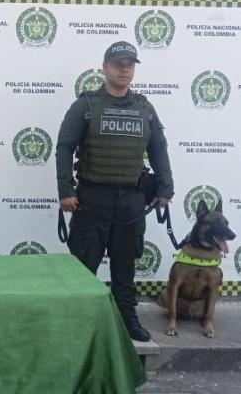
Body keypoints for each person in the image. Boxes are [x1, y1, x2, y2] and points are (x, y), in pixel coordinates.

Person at [56, 41, 174, 341]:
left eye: (130, 64)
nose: (125, 69)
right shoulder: (86, 106)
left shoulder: (145, 108)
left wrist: (165, 186)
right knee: (83, 265)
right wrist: (65, 190)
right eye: (119, 64)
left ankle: (126, 318)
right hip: (92, 199)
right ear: (105, 67)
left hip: (131, 200)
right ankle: (75, 320)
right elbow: (64, 147)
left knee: (125, 267)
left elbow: (159, 149)